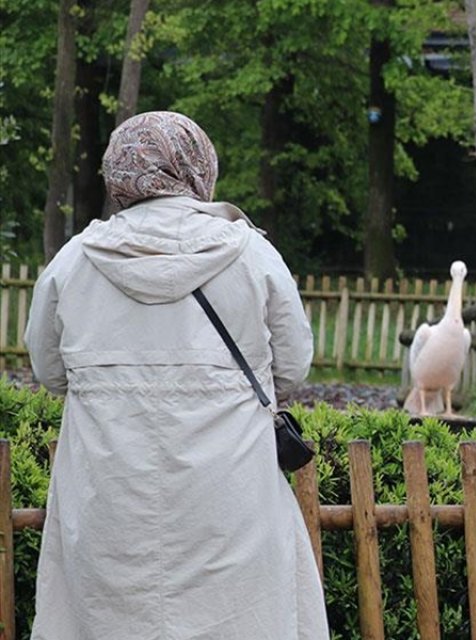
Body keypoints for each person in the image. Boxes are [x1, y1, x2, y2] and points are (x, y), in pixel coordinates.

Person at [25, 111, 329, 638]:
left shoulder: (73, 263)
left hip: (109, 496)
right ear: (198, 164)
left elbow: (49, 371)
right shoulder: (251, 254)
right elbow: (295, 362)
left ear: (118, 172)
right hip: (232, 499)